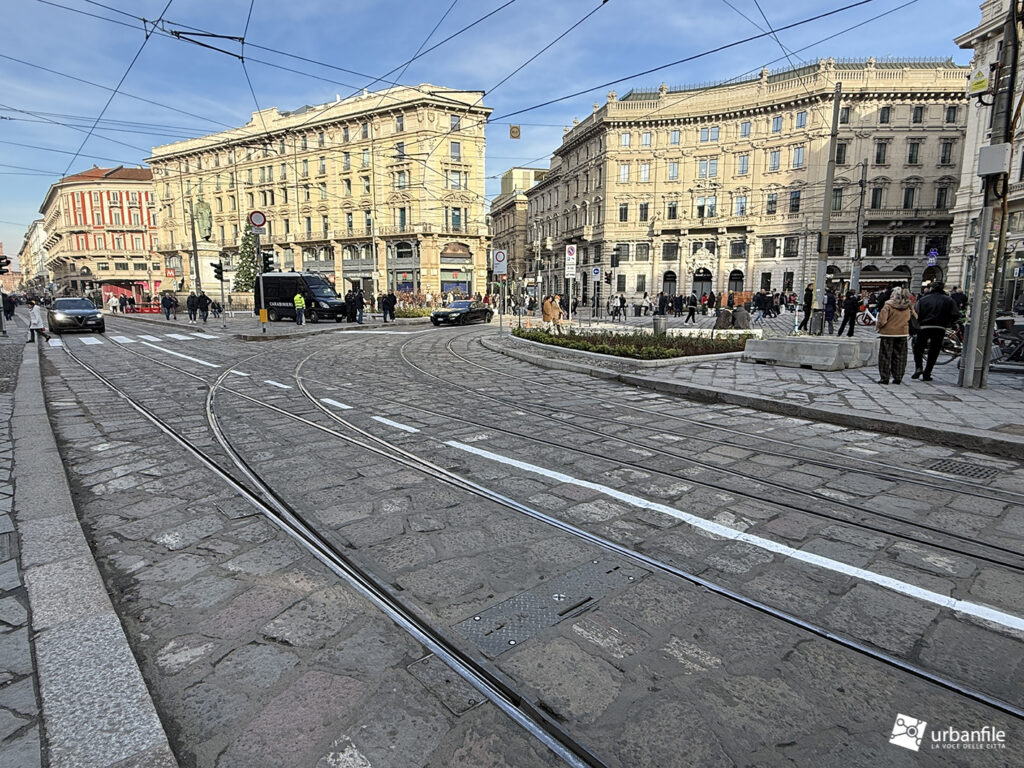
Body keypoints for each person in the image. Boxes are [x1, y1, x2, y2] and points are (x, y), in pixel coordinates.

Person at [912, 281, 958, 382]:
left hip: (924, 326)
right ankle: (927, 373)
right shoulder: (949, 300)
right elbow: (955, 314)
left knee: (918, 348)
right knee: (934, 350)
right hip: (940, 327)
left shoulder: (923, 299)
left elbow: (916, 311)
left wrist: (918, 323)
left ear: (931, 288)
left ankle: (919, 367)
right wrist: (948, 322)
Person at [876, 286, 915, 385]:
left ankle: (884, 377)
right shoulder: (908, 306)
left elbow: (882, 320)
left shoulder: (888, 305)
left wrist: (879, 327)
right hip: (902, 333)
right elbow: (915, 317)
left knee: (885, 355)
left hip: (888, 333)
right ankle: (898, 376)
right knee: (900, 355)